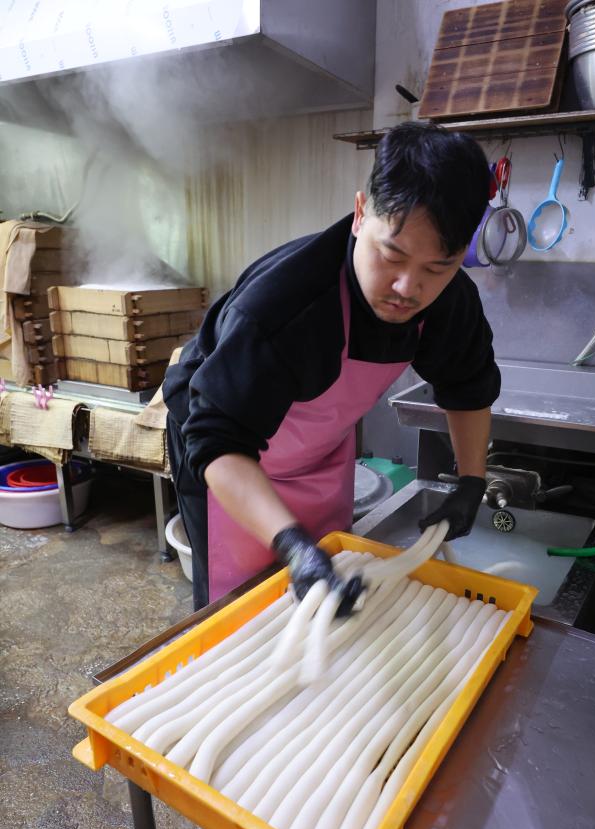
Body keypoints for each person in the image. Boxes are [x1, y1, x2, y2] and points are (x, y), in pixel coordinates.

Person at [163, 120, 500, 612]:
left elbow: (467, 385)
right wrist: (293, 545)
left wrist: (472, 482)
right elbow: (218, 441)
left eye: (436, 268)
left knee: (331, 584)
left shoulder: (451, 301)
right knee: (244, 606)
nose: (408, 288)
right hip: (226, 451)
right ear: (361, 212)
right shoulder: (284, 306)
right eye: (392, 255)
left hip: (316, 451)